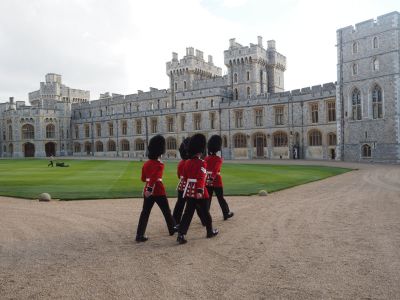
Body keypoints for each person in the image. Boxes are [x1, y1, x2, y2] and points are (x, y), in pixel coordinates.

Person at [177, 134, 218, 244]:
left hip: (190, 190)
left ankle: (181, 234)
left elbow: (185, 177)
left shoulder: (187, 162)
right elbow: (201, 178)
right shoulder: (202, 163)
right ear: (200, 150)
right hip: (199, 191)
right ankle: (209, 231)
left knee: (187, 213)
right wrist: (200, 190)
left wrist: (188, 187)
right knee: (205, 212)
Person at [135, 135, 176, 242]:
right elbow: (155, 177)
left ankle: (139, 235)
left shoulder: (146, 164)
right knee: (166, 211)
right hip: (158, 190)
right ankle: (172, 229)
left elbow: (143, 178)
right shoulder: (159, 164)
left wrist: (148, 187)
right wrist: (150, 188)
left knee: (145, 213)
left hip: (148, 190)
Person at [173, 137, 205, 227]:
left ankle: (175, 221)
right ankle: (204, 220)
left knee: (180, 205)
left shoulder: (181, 163)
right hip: (191, 186)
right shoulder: (191, 162)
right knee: (198, 206)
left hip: (181, 186)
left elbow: (179, 175)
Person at [205, 135, 234, 220]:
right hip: (216, 180)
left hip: (207, 179)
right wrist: (212, 178)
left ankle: (205, 216)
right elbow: (216, 169)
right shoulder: (218, 159)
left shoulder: (206, 158)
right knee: (221, 198)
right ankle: (226, 213)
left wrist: (209, 178)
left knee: (208, 199)